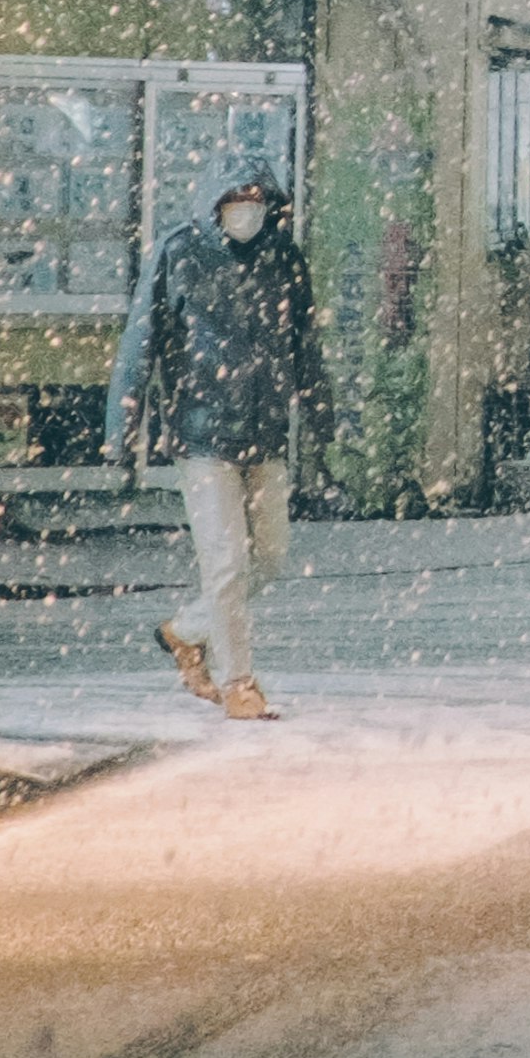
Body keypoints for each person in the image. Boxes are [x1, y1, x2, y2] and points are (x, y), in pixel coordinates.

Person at [109, 168, 327, 721]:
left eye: (258, 200)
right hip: (201, 434)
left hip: (266, 433)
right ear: (216, 201)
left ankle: (184, 632)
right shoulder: (180, 254)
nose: (248, 209)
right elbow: (142, 340)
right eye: (238, 199)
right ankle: (240, 684)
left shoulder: (283, 257)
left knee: (271, 558)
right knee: (227, 563)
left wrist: (322, 419)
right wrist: (123, 426)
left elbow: (305, 342)